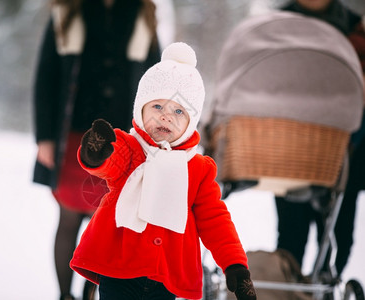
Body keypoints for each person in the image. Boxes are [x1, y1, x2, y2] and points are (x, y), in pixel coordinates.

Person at [69, 42, 257, 300]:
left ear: (192, 123)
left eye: (178, 111)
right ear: (140, 108)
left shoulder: (198, 169)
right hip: (120, 269)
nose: (166, 117)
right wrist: (96, 153)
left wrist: (235, 263)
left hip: (166, 277)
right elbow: (111, 162)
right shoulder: (131, 147)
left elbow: (215, 219)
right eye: (157, 107)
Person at [32, 1, 161, 299]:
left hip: (120, 145)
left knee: (109, 226)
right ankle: (65, 295)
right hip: (74, 139)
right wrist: (45, 138)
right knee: (68, 219)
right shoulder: (66, 12)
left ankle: (90, 294)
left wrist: (152, 139)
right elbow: (46, 77)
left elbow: (156, 81)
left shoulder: (142, 13)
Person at [275, 0, 365, 278]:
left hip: (345, 146)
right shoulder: (276, 26)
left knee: (339, 236)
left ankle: (327, 281)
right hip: (290, 147)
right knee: (291, 234)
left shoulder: (355, 26)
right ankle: (289, 288)